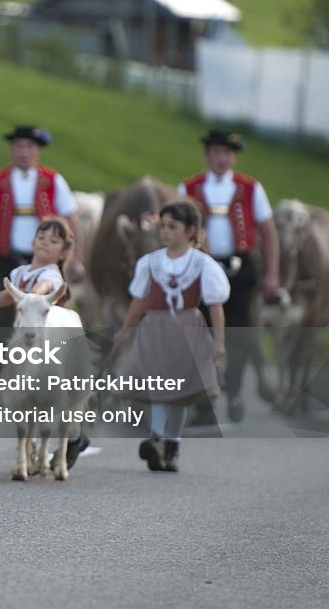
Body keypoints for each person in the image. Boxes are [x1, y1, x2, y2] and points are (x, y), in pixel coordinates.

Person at [112, 199, 229, 472]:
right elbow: (139, 301)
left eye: (173, 226)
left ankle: (172, 444)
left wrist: (219, 340)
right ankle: (156, 439)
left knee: (180, 392)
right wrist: (125, 329)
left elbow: (215, 305)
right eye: (163, 226)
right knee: (159, 388)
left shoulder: (203, 264)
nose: (165, 232)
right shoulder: (149, 263)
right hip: (155, 329)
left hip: (188, 329)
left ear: (190, 230)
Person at [177, 129, 278, 424]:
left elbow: (268, 231)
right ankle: (204, 401)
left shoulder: (251, 189)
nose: (221, 158)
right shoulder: (188, 188)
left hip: (240, 271)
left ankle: (233, 390)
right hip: (201, 270)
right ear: (207, 155)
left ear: (233, 157)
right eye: (216, 152)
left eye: (227, 153)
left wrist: (272, 272)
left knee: (239, 335)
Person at [0, 217, 90, 470]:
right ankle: (29, 447)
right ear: (32, 242)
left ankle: (75, 437)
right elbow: (7, 295)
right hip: (24, 344)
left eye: (53, 241)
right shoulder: (19, 273)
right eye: (41, 238)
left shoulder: (52, 276)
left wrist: (33, 294)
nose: (45, 243)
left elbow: (45, 288)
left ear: (64, 252)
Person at [0, 125, 84, 328]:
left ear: (38, 150)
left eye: (29, 147)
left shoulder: (53, 181)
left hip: (46, 260)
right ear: (11, 149)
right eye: (18, 146)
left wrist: (77, 259)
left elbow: (72, 221)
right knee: (1, 321)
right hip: (7, 259)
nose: (24, 152)